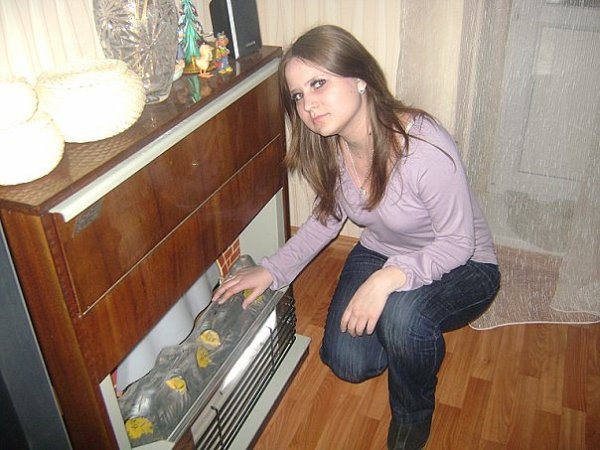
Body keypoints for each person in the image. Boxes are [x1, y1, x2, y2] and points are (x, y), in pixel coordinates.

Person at [213, 24, 500, 450]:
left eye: (318, 84)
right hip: (383, 250)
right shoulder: (333, 145)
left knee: (403, 316)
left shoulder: (422, 143)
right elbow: (325, 220)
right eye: (298, 95)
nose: (308, 105)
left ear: (360, 78)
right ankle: (413, 341)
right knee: (347, 361)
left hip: (466, 263)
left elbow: (458, 243)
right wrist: (272, 271)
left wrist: (386, 281)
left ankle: (414, 411)